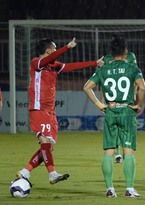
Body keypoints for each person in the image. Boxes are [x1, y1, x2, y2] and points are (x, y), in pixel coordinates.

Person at [16, 37, 104, 184]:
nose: (56, 51)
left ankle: (25, 171)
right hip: (38, 108)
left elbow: (73, 66)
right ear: (49, 50)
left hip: (51, 111)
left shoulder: (55, 65)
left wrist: (94, 63)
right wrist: (67, 47)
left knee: (49, 146)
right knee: (44, 141)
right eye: (55, 48)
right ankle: (52, 174)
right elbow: (49, 59)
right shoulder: (36, 63)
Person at [83, 34, 145, 198]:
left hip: (110, 111)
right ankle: (129, 189)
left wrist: (99, 104)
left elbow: (87, 87)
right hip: (126, 111)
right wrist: (139, 105)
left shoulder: (103, 69)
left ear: (111, 52)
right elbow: (142, 87)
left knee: (109, 152)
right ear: (125, 52)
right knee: (129, 151)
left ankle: (110, 189)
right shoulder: (133, 68)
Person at [102, 50, 138, 163]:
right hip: (124, 104)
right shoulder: (130, 63)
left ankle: (118, 154)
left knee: (113, 130)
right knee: (126, 134)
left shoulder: (106, 62)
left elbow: (96, 84)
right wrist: (137, 100)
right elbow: (139, 83)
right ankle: (121, 154)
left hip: (112, 105)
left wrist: (100, 103)